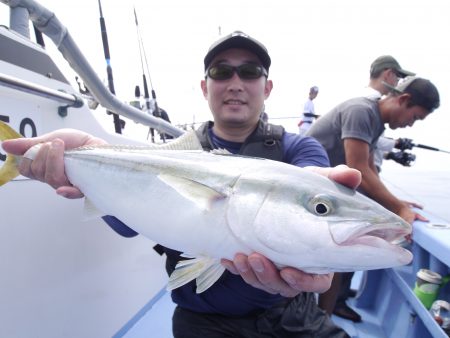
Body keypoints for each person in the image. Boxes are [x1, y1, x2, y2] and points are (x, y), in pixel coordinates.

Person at [2, 31, 363, 338]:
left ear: (266, 87)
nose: (235, 83)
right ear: (205, 86)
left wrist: (322, 218)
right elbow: (126, 225)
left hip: (289, 315)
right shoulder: (172, 154)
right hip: (201, 320)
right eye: (222, 72)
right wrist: (87, 166)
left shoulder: (299, 148)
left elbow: (314, 194)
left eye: (249, 72)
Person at [307, 76, 440, 323]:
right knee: (339, 253)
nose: (411, 125)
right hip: (309, 195)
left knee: (348, 247)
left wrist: (395, 204)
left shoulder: (376, 121)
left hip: (328, 194)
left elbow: (370, 170)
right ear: (404, 99)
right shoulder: (361, 111)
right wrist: (398, 208)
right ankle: (322, 319)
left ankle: (325, 315)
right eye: (415, 117)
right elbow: (357, 167)